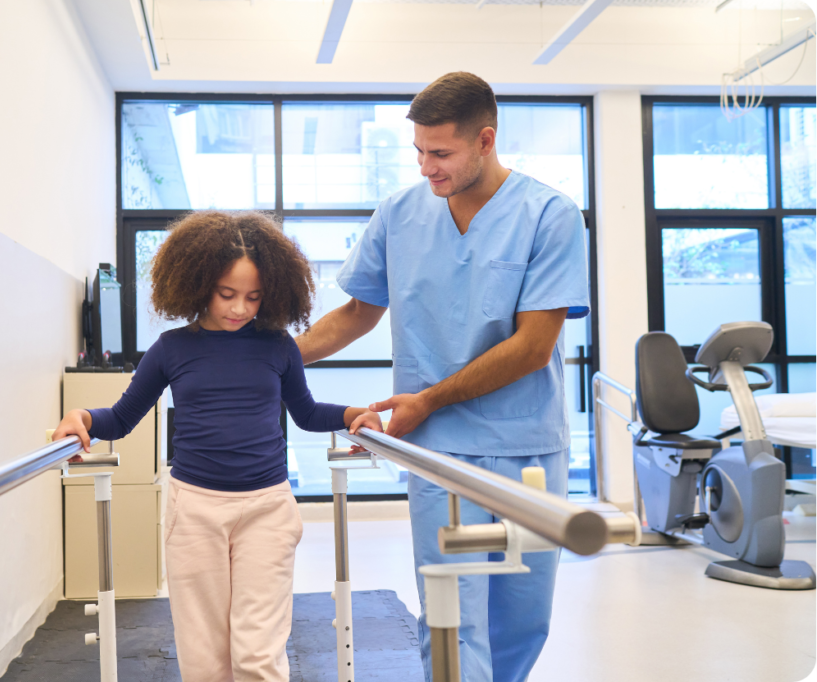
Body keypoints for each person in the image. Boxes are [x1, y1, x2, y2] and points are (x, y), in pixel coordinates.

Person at [295, 72, 590, 682]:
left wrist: (428, 398)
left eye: (441, 153)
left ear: (485, 140)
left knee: (523, 616)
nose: (427, 167)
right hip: (438, 453)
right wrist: (274, 357)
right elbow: (356, 312)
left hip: (525, 447)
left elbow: (534, 347)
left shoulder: (549, 215)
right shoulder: (400, 214)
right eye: (419, 152)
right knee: (451, 619)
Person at [53, 211, 383, 682]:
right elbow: (123, 418)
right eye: (227, 294)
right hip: (195, 511)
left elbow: (306, 413)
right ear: (199, 284)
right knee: (205, 661)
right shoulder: (169, 349)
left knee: (256, 656)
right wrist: (83, 418)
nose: (240, 308)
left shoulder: (278, 347)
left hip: (266, 508)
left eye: (253, 297)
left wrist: (352, 415)